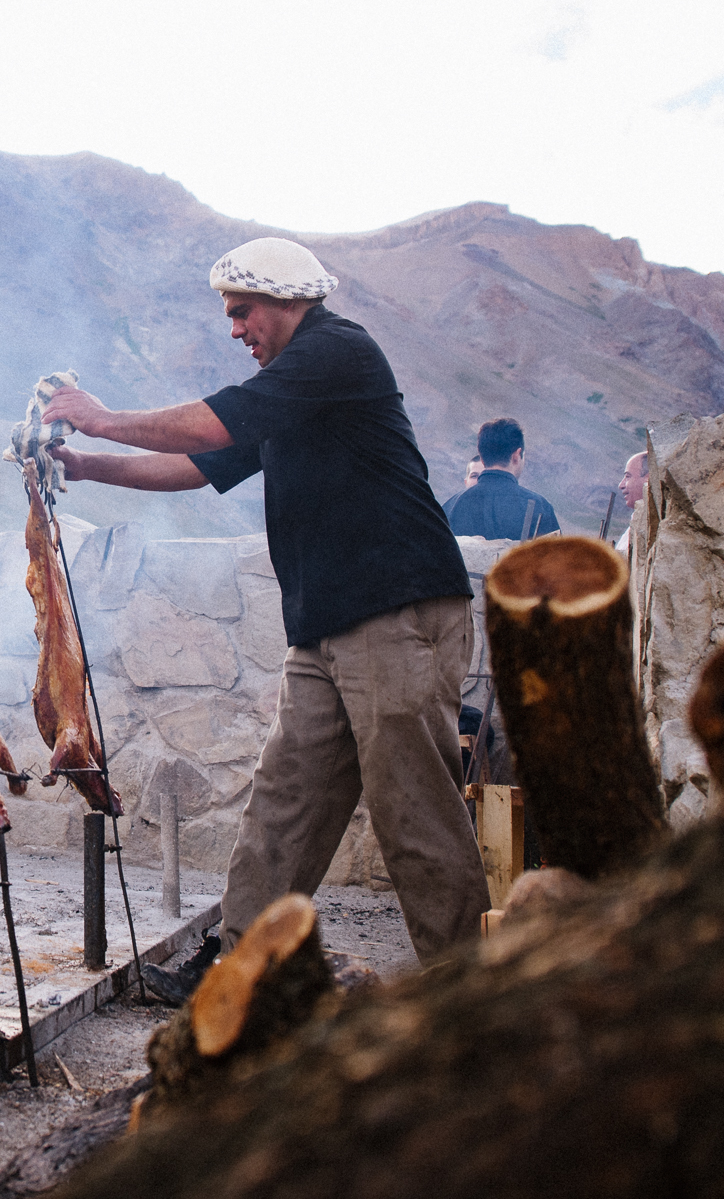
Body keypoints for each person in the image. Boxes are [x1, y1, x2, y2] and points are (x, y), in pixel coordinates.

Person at [40, 236, 488, 980]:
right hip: (323, 624)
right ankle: (241, 969)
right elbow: (198, 464)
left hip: (394, 610)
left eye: (242, 311)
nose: (235, 329)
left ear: (286, 299)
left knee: (414, 808)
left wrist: (102, 418)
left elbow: (214, 424)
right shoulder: (288, 389)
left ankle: (470, 987)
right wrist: (87, 467)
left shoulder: (336, 351)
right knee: (285, 801)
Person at [442, 418, 559, 540]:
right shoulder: (539, 507)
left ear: (482, 458)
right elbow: (557, 552)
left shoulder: (450, 507)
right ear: (516, 456)